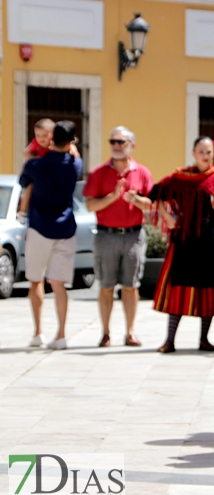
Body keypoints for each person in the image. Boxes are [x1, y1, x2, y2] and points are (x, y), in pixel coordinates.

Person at [150, 136, 214, 353]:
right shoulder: (179, 177)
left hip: (212, 241)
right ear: (193, 153)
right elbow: (155, 193)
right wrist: (167, 216)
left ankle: (204, 339)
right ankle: (170, 340)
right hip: (186, 240)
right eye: (201, 151)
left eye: (209, 152)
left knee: (209, 290)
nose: (205, 155)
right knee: (178, 290)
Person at [83, 126, 153, 347]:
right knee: (106, 286)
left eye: (121, 142)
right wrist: (113, 197)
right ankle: (105, 333)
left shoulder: (142, 172)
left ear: (131, 145)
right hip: (106, 236)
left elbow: (150, 204)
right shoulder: (98, 173)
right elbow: (90, 205)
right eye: (112, 141)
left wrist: (136, 201)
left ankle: (130, 332)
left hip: (133, 235)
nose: (116, 146)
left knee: (131, 286)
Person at [21, 121, 83, 350]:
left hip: (39, 228)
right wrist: (72, 149)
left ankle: (38, 332)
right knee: (59, 285)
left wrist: (30, 157)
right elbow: (75, 158)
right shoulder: (75, 165)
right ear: (70, 142)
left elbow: (22, 182)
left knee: (35, 280)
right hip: (65, 230)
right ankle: (61, 335)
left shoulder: (36, 165)